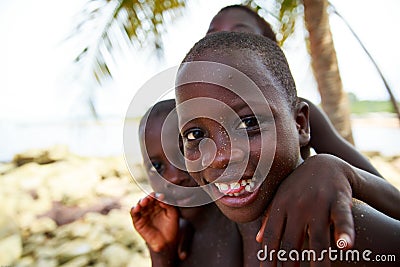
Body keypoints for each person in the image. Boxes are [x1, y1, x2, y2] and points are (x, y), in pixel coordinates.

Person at [175, 31, 400, 266]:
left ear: (300, 124)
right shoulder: (218, 229)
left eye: (248, 123)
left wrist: (346, 173)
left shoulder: (339, 228)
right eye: (196, 135)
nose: (220, 157)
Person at [206, 5, 382, 177]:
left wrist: (328, 169)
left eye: (240, 34)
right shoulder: (190, 113)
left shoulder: (293, 108)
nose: (224, 40)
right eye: (213, 35)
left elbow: (377, 186)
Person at [131, 99, 242, 267]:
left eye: (184, 155)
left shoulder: (244, 223)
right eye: (157, 167)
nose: (174, 178)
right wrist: (161, 253)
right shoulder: (173, 235)